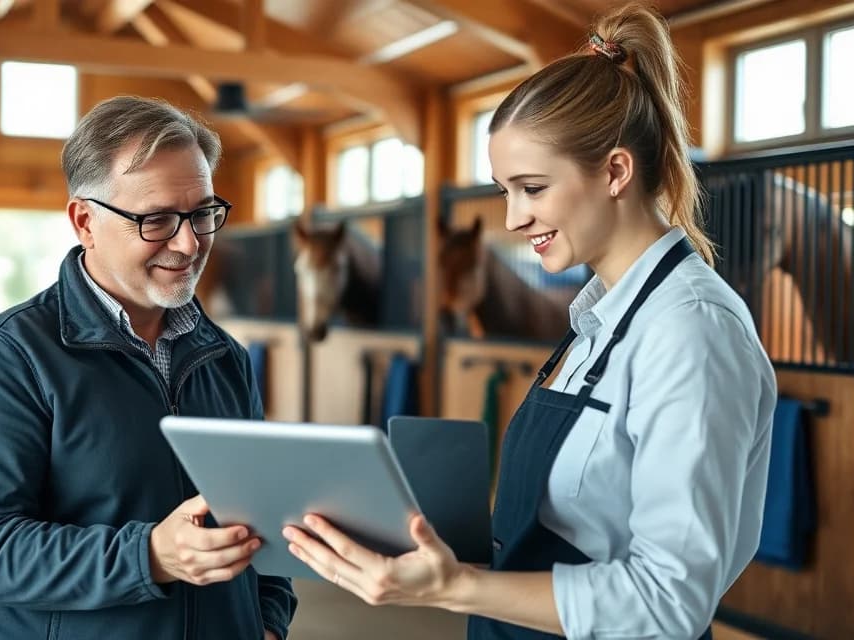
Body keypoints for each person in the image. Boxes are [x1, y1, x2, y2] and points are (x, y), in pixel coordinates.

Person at [283, 4, 776, 639]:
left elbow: (668, 603)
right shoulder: (598, 318)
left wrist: (454, 587)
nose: (513, 218)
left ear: (616, 171)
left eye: (533, 188)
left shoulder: (691, 332)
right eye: (504, 191)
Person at [0, 95, 297, 640]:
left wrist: (267, 622)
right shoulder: (9, 355)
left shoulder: (225, 356)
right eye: (157, 219)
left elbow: (261, 515)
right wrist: (149, 556)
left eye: (203, 214)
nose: (189, 243)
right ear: (84, 221)